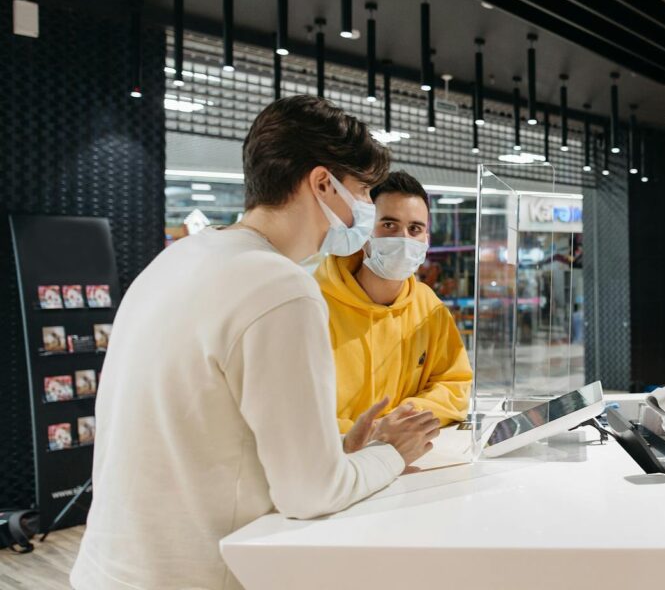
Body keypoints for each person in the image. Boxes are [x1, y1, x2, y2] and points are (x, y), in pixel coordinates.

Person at [72, 96, 442, 590]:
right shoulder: (280, 287)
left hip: (110, 571)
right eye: (363, 192)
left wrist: (335, 449)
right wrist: (392, 451)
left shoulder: (177, 261)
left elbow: (210, 430)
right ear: (322, 184)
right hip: (198, 576)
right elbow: (310, 493)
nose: (366, 210)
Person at [314, 171, 472, 433]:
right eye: (389, 225)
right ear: (364, 232)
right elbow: (296, 409)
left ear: (426, 239)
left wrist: (405, 419)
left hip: (408, 457)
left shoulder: (428, 308)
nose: (404, 239)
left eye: (415, 229)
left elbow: (454, 384)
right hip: (335, 461)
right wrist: (369, 432)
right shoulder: (315, 304)